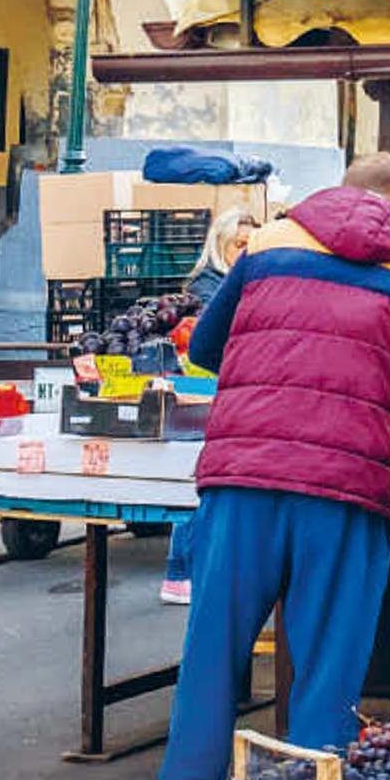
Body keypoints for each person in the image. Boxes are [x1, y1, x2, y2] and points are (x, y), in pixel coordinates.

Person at [146, 152, 390, 780]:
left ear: (340, 191)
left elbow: (208, 349)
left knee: (214, 644)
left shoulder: (271, 243)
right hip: (348, 484)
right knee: (327, 654)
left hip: (245, 473)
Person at [160, 208, 258, 607]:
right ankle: (179, 571)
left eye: (253, 246)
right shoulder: (209, 287)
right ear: (220, 244)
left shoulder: (233, 282)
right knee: (197, 480)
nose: (246, 253)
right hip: (204, 386)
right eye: (239, 245)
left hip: (223, 386)